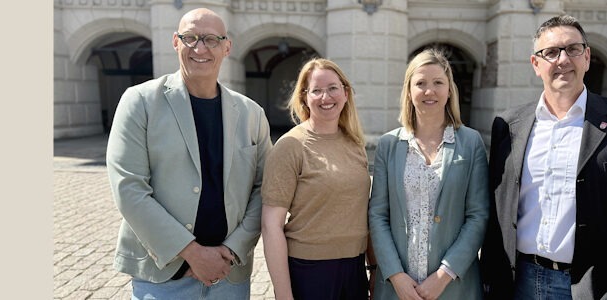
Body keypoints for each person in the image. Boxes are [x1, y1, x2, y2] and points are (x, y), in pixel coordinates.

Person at [480, 15, 607, 300]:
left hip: (593, 287)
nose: (562, 60)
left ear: (586, 57)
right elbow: (496, 212)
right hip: (518, 282)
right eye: (551, 52)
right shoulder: (508, 126)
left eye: (572, 49)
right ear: (536, 64)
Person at [106, 8, 272, 299]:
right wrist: (192, 253)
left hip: (229, 274)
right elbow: (129, 188)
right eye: (190, 38)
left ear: (226, 46)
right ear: (175, 42)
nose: (200, 48)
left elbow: (265, 189)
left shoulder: (252, 114)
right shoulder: (139, 102)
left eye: (210, 39)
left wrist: (230, 250)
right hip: (163, 276)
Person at [368, 48, 489, 300]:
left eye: (438, 83)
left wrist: (444, 275)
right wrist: (395, 275)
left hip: (454, 287)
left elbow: (477, 216)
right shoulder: (389, 144)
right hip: (397, 288)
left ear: (449, 90)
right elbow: (378, 214)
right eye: (420, 83)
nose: (429, 91)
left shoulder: (470, 142)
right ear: (409, 91)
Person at [261, 58, 372, 300]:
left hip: (354, 268)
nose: (326, 97)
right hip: (310, 270)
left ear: (345, 93)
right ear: (304, 98)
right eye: (317, 90)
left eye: (332, 88)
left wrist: (372, 270)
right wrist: (283, 295)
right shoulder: (290, 146)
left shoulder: (355, 143)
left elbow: (366, 212)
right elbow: (271, 225)